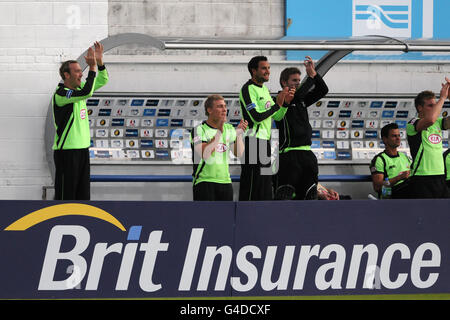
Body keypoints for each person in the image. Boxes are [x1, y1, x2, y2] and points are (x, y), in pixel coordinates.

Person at [52, 42, 109, 200]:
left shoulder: (79, 89)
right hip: (67, 153)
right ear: (66, 75)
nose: (81, 74)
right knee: (66, 196)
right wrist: (91, 68)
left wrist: (100, 63)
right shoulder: (62, 94)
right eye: (77, 71)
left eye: (81, 71)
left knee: (83, 196)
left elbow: (102, 81)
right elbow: (87, 92)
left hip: (83, 150)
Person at [273, 57, 332, 200]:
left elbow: (323, 90)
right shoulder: (279, 98)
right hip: (289, 156)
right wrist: (310, 77)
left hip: (307, 155)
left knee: (310, 195)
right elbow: (295, 96)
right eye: (294, 80)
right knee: (285, 196)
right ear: (283, 82)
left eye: (299, 81)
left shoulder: (301, 100)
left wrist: (314, 74)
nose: (297, 84)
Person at [238, 56, 288, 201]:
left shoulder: (265, 89)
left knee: (265, 187)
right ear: (254, 71)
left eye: (268, 68)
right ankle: (245, 218)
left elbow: (277, 117)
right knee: (252, 185)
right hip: (253, 141)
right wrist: (277, 105)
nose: (268, 71)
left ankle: (261, 219)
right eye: (264, 68)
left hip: (265, 142)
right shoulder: (247, 89)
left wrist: (284, 104)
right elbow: (256, 117)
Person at [191, 95, 248, 201]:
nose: (224, 109)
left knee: (225, 217)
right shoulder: (199, 130)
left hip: (225, 182)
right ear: (209, 110)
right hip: (204, 182)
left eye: (225, 106)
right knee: (206, 217)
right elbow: (205, 154)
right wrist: (219, 133)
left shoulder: (229, 128)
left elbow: (239, 153)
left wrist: (239, 134)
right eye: (220, 106)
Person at [406, 80, 450, 198]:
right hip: (422, 177)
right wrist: (442, 98)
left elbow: (434, 120)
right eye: (430, 105)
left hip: (440, 175)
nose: (434, 107)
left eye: (435, 104)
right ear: (420, 108)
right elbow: (430, 120)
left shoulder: (438, 123)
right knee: (424, 215)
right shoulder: (412, 123)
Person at [369, 123, 412, 199]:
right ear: (385, 139)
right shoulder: (380, 159)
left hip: (409, 191)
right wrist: (399, 178)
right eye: (394, 136)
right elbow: (377, 187)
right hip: (392, 195)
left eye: (399, 135)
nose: (398, 138)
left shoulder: (404, 157)